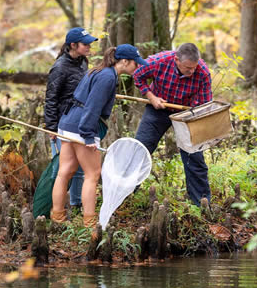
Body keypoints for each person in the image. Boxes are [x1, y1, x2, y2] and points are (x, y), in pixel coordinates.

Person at [51, 44, 149, 227]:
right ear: (125, 61)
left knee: (65, 172)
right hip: (82, 127)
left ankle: (57, 217)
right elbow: (92, 107)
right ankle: (90, 222)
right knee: (93, 174)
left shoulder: (99, 70)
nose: (138, 67)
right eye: (136, 64)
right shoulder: (107, 78)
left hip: (67, 122)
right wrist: (88, 136)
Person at [133, 43, 212, 206]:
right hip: (158, 107)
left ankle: (201, 203)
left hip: (186, 113)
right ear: (176, 60)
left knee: (194, 156)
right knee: (141, 149)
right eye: (188, 68)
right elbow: (137, 75)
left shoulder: (202, 72)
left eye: (194, 68)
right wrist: (151, 96)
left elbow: (205, 104)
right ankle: (125, 193)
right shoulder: (159, 61)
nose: (191, 72)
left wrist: (196, 109)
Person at [44, 27, 98, 213]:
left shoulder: (83, 62)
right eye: (85, 44)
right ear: (73, 45)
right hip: (62, 123)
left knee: (80, 169)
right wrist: (52, 128)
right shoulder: (59, 67)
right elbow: (51, 99)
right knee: (61, 168)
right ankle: (52, 208)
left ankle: (76, 204)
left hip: (79, 122)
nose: (89, 47)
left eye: (90, 44)